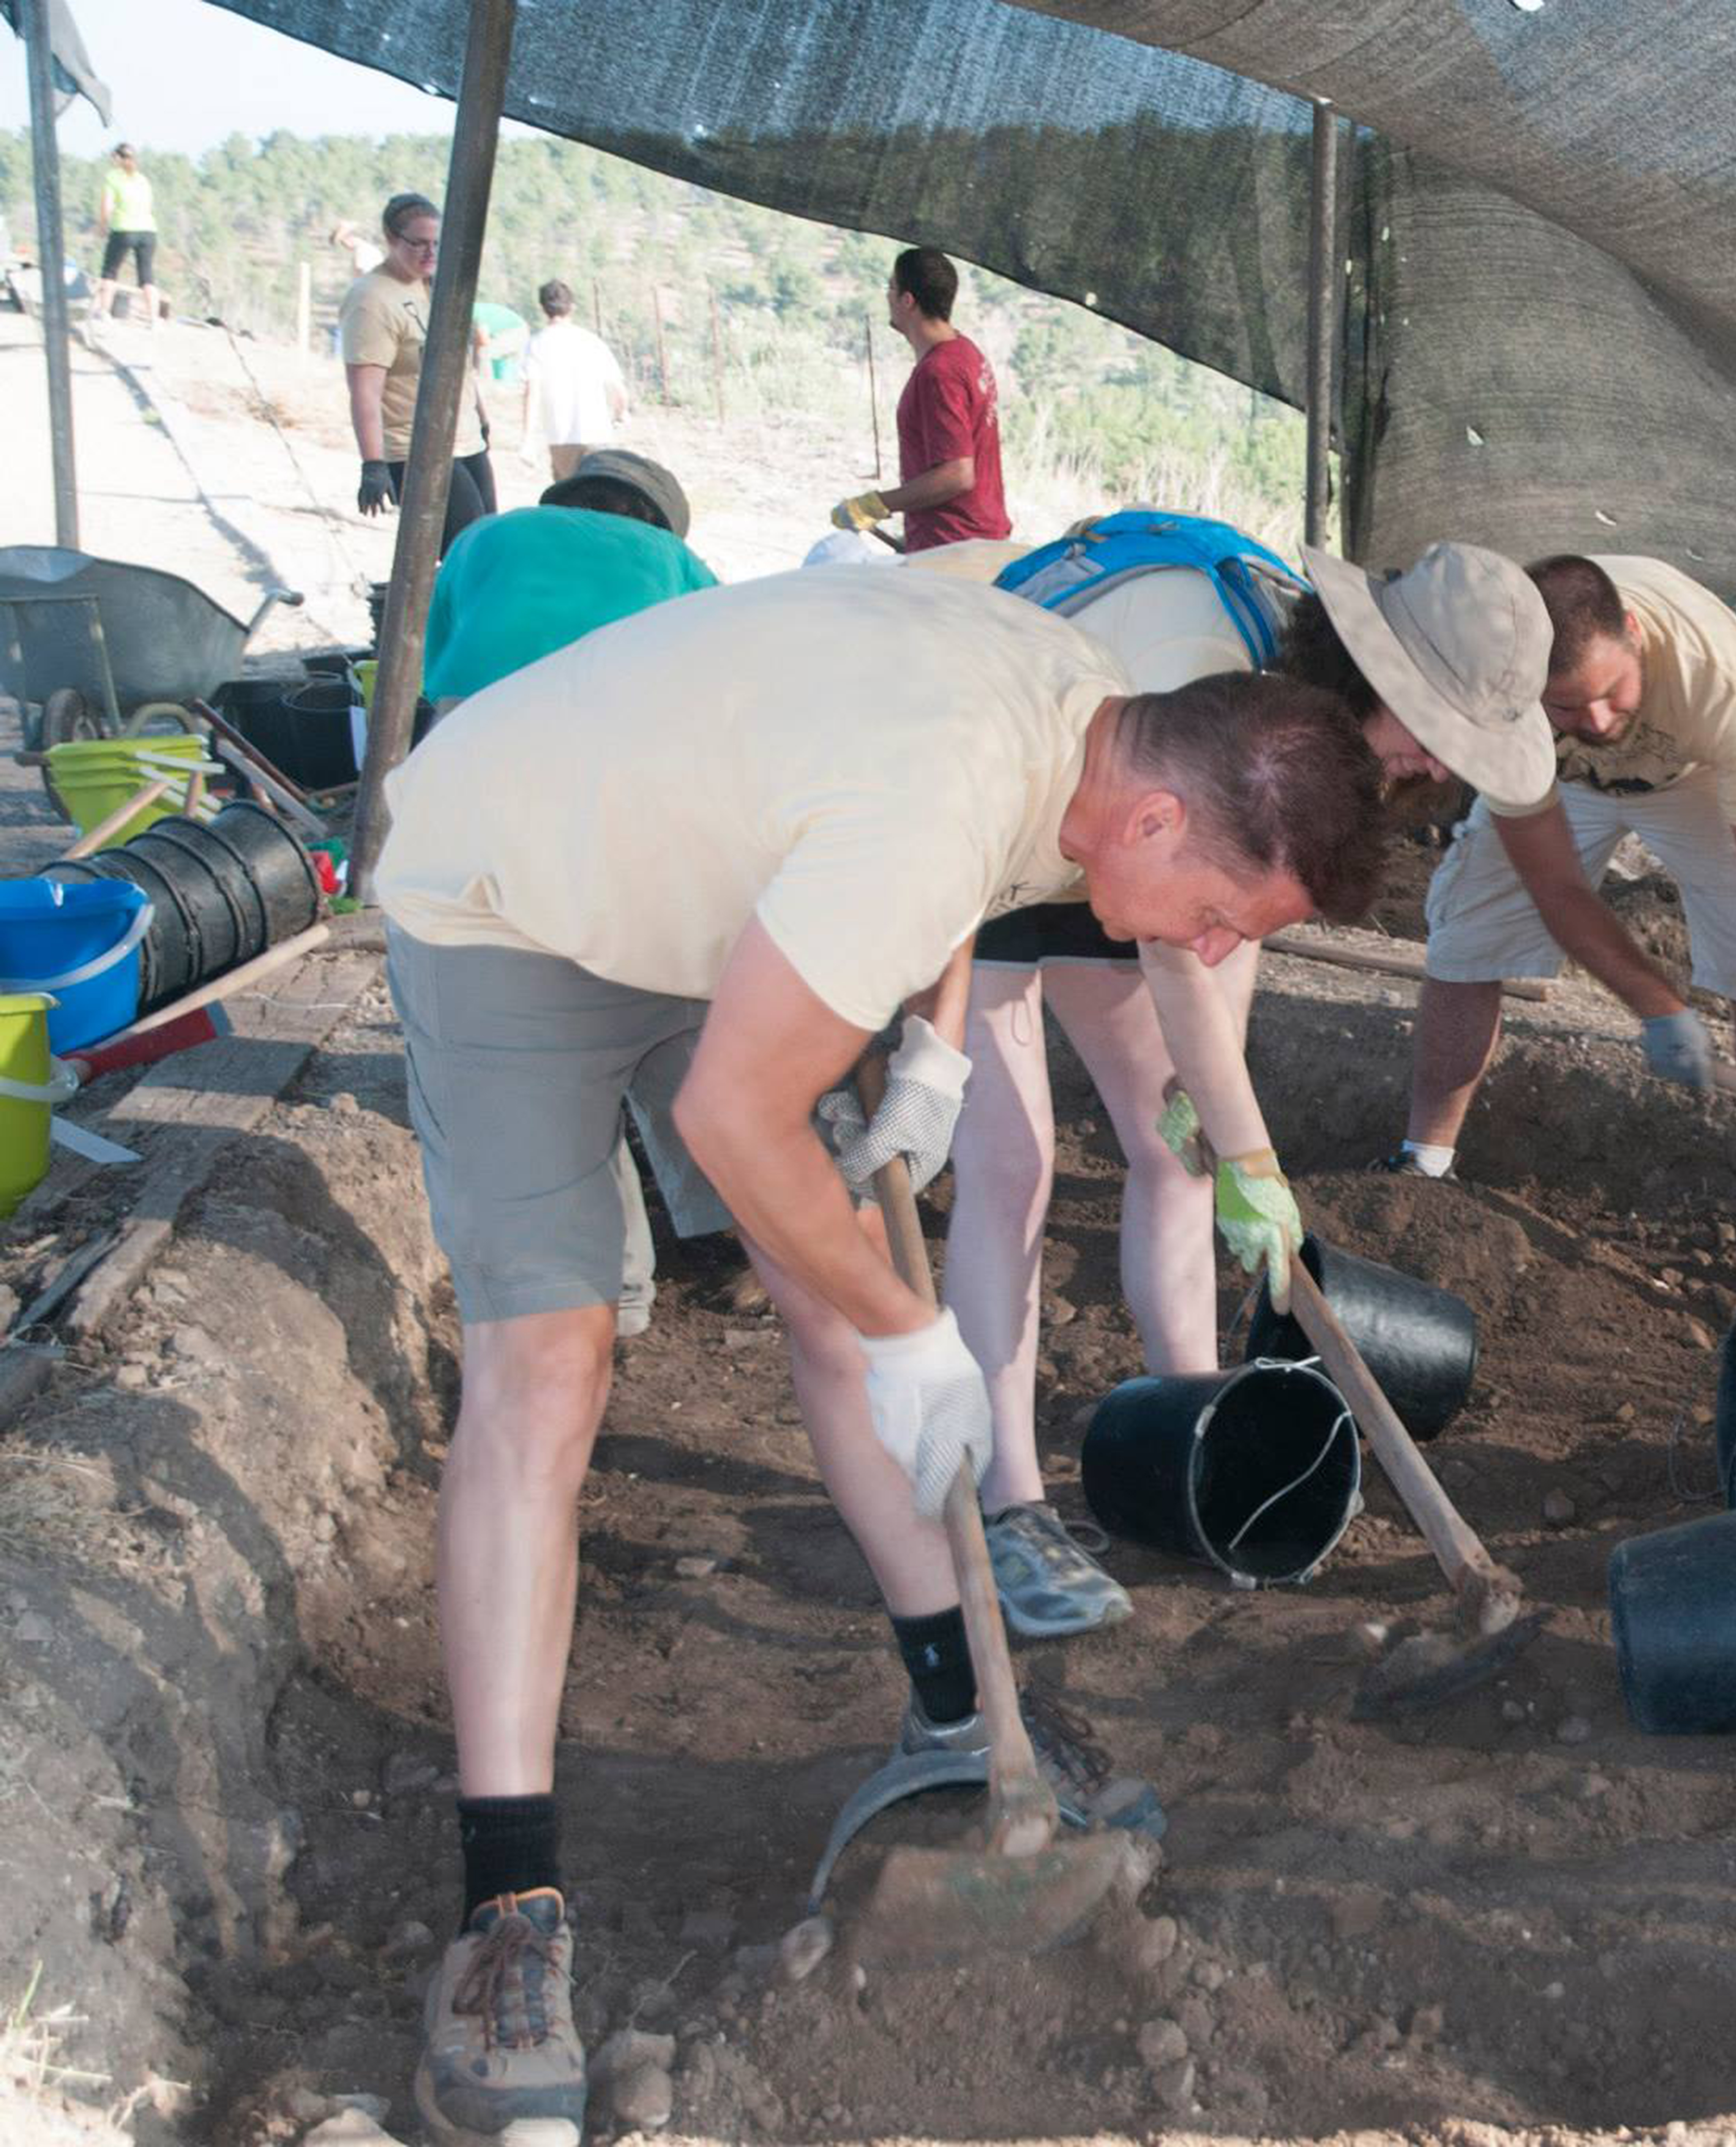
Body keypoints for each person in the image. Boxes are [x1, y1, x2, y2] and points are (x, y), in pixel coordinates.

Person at [372, 563, 1388, 2145]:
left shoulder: (1076, 711)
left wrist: (926, 1042)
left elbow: (948, 881)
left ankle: (953, 1714)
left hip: (724, 896)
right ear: (1161, 826)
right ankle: (506, 1919)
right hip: (512, 891)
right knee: (551, 1363)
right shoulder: (945, 796)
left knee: (828, 1307)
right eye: (1213, 920)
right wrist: (919, 1327)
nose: (1195, 948)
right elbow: (733, 1108)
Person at [913, 519, 1556, 1636]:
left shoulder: (1302, 747)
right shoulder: (1207, 666)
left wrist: (1225, 1130)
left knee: (1180, 1146)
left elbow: (1218, 945)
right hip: (990, 824)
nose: (1444, 767)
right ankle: (1010, 1500)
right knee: (1010, 1164)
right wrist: (1255, 1154)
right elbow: (1175, 931)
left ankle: (1199, 1427)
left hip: (1147, 855)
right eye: (1442, 730)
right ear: (1376, 671)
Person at [1383, 553, 1736, 1306]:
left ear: (1634, 634)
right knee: (1468, 938)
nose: (1595, 721)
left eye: (1609, 692)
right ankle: (1423, 1168)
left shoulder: (1716, 681)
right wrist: (1659, 1006)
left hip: (1689, 775)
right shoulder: (1503, 693)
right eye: (1568, 705)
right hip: (1553, 778)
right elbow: (1556, 884)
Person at [423, 449, 716, 703]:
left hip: (474, 719)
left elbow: (432, 654)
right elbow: (721, 650)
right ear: (662, 525)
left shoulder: (487, 531)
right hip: (613, 720)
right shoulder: (673, 556)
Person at [341, 192, 497, 555]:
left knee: (489, 548)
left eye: (438, 244)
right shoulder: (372, 299)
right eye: (419, 244)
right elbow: (365, 390)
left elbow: (459, 367)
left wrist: (483, 419)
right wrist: (373, 464)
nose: (431, 253)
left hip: (465, 439)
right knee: (466, 554)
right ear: (392, 239)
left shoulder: (436, 287)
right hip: (416, 448)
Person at [832, 247, 1006, 553]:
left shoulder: (939, 373)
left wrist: (875, 505)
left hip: (954, 550)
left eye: (891, 288)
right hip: (975, 540)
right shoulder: (965, 351)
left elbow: (958, 475)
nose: (887, 297)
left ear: (908, 300)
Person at [517, 281, 627, 484]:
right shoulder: (592, 341)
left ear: (543, 309)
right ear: (572, 307)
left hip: (561, 438)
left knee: (570, 500)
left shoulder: (537, 344)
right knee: (602, 494)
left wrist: (528, 439)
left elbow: (533, 392)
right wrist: (620, 415)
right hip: (598, 433)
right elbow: (618, 390)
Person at [89, 145, 164, 325]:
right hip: (148, 230)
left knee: (110, 271)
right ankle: (154, 318)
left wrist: (102, 226)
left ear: (117, 159)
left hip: (124, 229)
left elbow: (107, 206)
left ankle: (105, 312)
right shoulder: (142, 180)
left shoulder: (113, 177)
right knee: (147, 275)